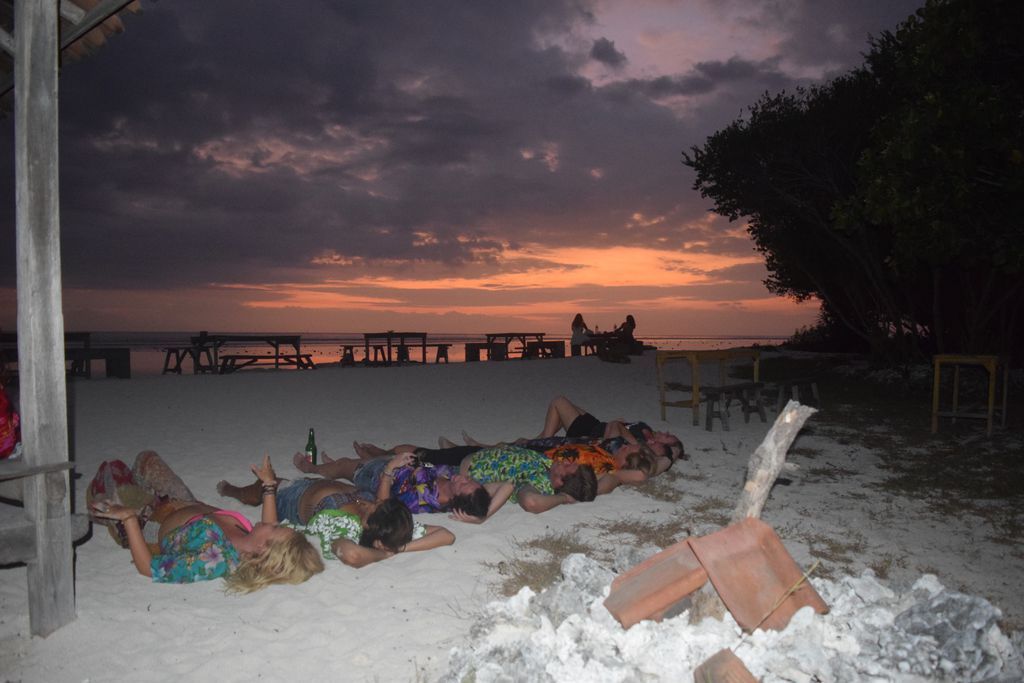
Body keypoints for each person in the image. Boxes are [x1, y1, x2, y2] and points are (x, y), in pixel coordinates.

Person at [87, 451, 323, 591]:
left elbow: (149, 568)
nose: (273, 523)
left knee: (111, 468)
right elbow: (268, 524)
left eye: (275, 529)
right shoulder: (252, 539)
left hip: (149, 522)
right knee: (146, 459)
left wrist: (128, 518)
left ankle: (124, 509)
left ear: (262, 548)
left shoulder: (215, 560)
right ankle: (138, 489)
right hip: (182, 502)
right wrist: (269, 485)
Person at [216, 475, 455, 568]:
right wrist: (399, 548)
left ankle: (231, 490)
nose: (375, 502)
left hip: (294, 496)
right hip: (326, 484)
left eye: (376, 507)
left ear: (371, 527)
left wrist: (385, 554)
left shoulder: (341, 526)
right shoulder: (397, 529)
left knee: (265, 486)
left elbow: (350, 554)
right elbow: (446, 535)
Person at [292, 451, 494, 521]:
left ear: (453, 500)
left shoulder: (421, 501)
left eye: (464, 484)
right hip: (399, 466)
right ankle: (337, 465)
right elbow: (506, 485)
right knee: (348, 465)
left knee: (346, 468)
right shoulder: (454, 481)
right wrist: (479, 519)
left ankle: (312, 468)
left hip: (379, 477)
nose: (463, 478)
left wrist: (390, 470)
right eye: (470, 480)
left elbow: (385, 502)